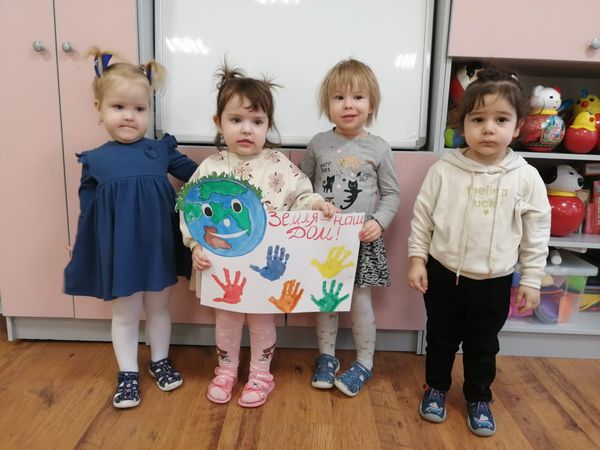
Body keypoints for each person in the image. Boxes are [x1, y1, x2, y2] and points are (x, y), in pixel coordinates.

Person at [181, 64, 336, 408]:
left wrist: (317, 204)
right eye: (236, 120)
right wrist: (194, 246)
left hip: (266, 267)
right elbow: (191, 213)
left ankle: (261, 374)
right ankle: (226, 370)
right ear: (218, 123)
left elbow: (300, 196)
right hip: (224, 266)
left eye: (257, 121)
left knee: (263, 320)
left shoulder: (278, 163)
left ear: (268, 125)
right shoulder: (210, 168)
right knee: (226, 320)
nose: (246, 129)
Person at [407, 68, 551, 436]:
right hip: (444, 274)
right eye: (478, 119)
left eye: (500, 120)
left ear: (517, 127)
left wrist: (532, 279)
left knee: (483, 345)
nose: (488, 129)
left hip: (494, 280)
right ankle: (436, 387)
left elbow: (536, 234)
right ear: (463, 124)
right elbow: (423, 217)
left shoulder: (526, 177)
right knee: (440, 338)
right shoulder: (444, 170)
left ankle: (478, 396)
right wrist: (417, 259)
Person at [64, 47, 198, 409]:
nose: (129, 116)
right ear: (99, 109)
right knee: (124, 315)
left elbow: (199, 177)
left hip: (158, 247)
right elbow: (87, 211)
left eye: (139, 109)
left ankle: (159, 361)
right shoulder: (95, 161)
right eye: (118, 107)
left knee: (159, 308)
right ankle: (127, 373)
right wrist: (81, 244)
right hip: (120, 251)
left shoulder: (160, 150)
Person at [301, 58, 400, 397]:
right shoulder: (317, 144)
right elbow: (304, 187)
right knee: (326, 300)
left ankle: (364, 362)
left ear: (371, 104)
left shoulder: (379, 147)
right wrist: (313, 206)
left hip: (361, 239)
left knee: (359, 302)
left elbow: (391, 194)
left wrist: (379, 222)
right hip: (324, 238)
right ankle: (327, 357)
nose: (348, 105)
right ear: (327, 105)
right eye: (339, 97)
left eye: (357, 97)